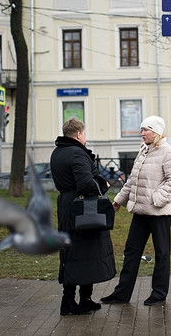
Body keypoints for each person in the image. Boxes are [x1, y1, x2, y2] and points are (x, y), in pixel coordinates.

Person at [100, 115, 171, 306]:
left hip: (159, 212)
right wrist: (118, 201)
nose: (142, 133)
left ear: (156, 132)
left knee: (162, 253)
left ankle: (159, 293)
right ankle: (122, 294)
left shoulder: (169, 153)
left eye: (146, 129)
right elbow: (132, 181)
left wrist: (156, 199)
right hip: (140, 212)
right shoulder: (143, 152)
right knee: (131, 251)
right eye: (142, 130)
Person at [50, 117, 116, 316]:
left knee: (73, 253)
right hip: (82, 210)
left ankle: (82, 299)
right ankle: (70, 302)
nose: (85, 137)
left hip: (66, 207)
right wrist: (104, 186)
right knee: (84, 253)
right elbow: (86, 183)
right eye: (84, 134)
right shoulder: (77, 154)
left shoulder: (57, 152)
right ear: (78, 134)